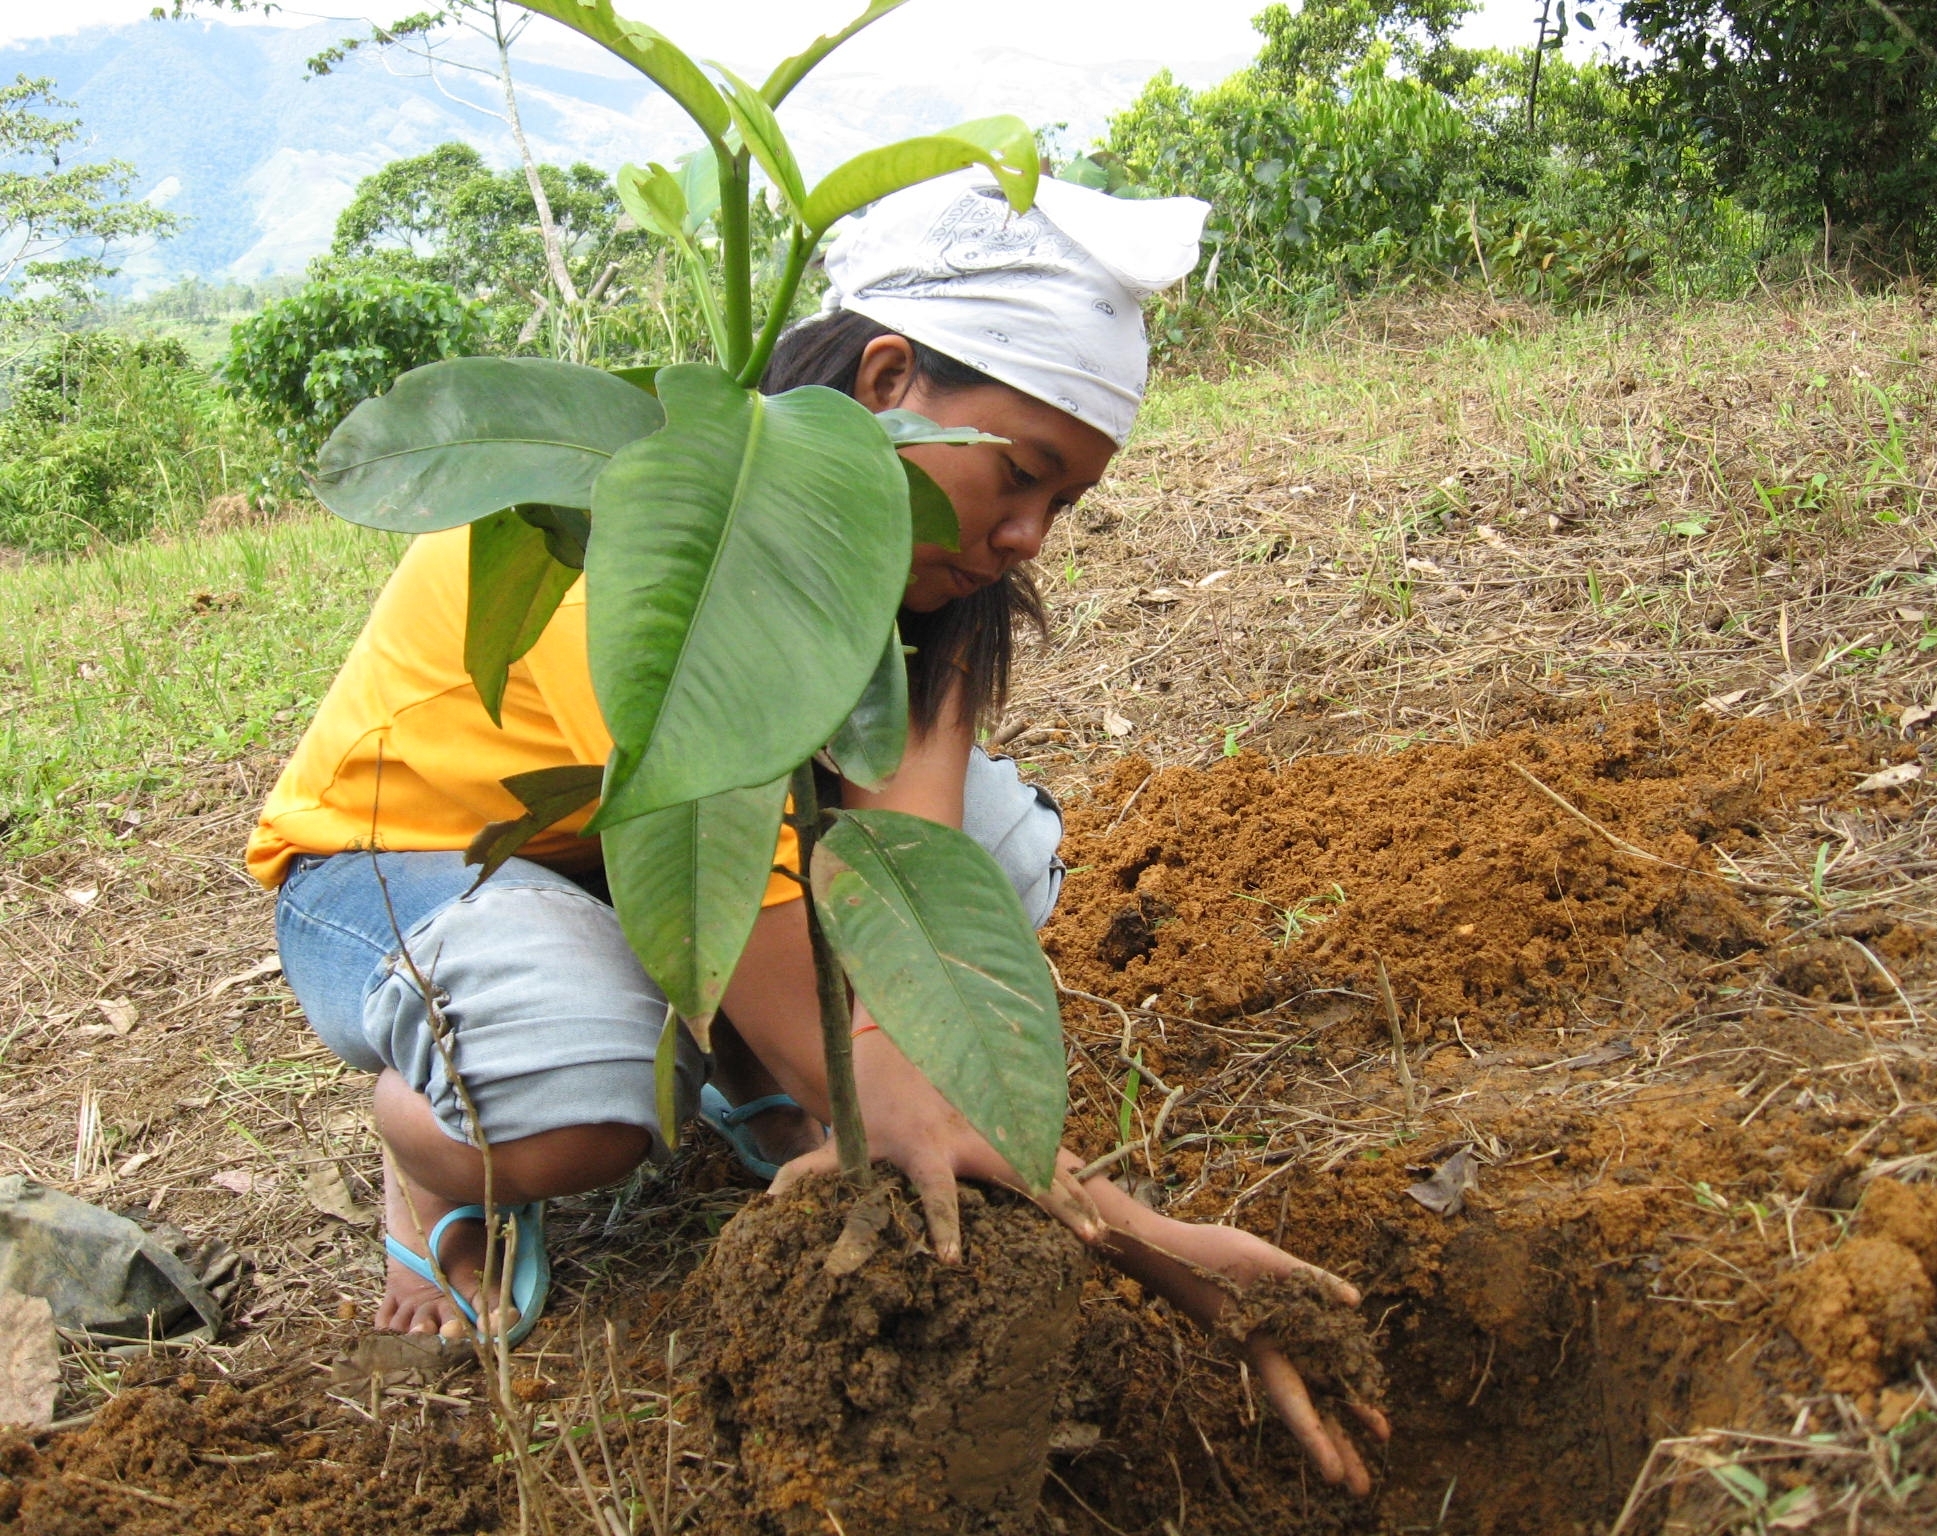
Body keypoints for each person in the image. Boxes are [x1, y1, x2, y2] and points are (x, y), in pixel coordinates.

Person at [249, 170, 1388, 1493]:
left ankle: (767, 1094)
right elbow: (769, 918)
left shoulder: (935, 584)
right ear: (888, 379)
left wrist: (889, 1089)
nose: (1025, 538)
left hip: (658, 881)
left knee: (981, 852)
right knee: (582, 1107)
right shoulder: (652, 535)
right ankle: (426, 1157)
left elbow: (907, 885)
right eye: (1020, 475)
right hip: (417, 860)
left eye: (1063, 506)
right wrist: (1157, 1250)